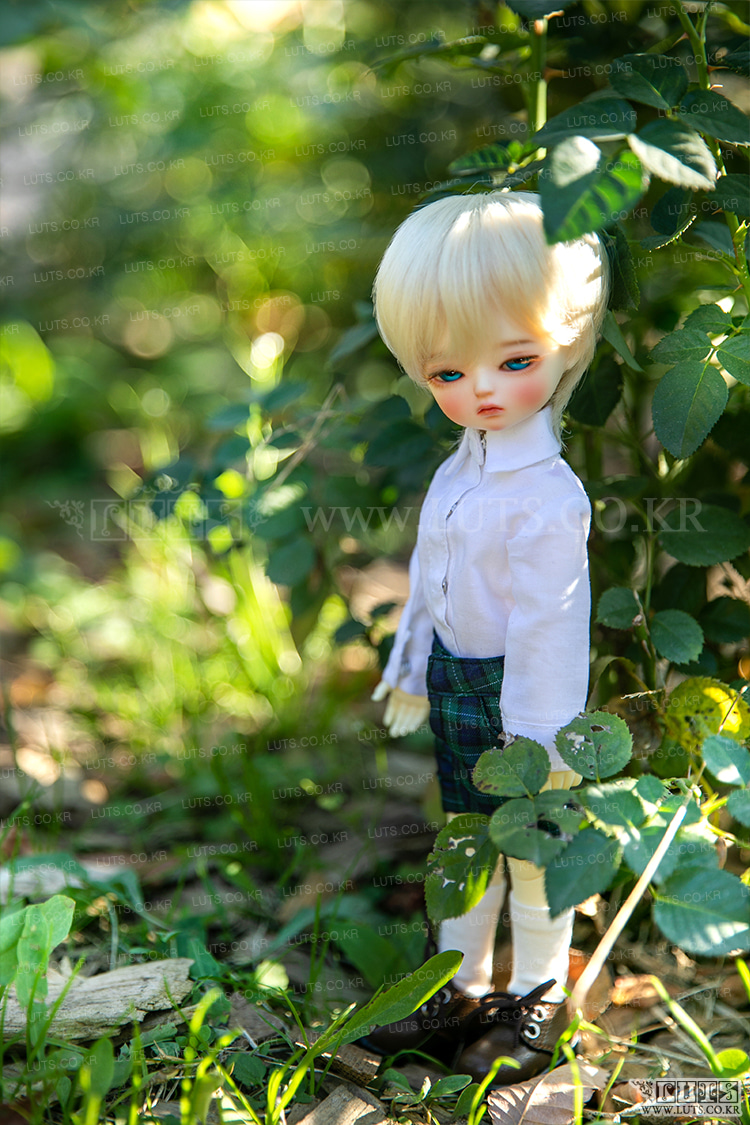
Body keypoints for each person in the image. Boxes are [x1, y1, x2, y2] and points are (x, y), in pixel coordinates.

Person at [364, 190, 609, 1084]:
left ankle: (538, 992)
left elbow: (552, 624)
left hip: (526, 701)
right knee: (467, 836)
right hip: (458, 681)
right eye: (447, 373)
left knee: (534, 848)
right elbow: (429, 582)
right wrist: (409, 670)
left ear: (567, 342)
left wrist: (540, 738)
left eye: (514, 360)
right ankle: (457, 985)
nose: (482, 389)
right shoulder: (456, 472)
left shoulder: (547, 496)